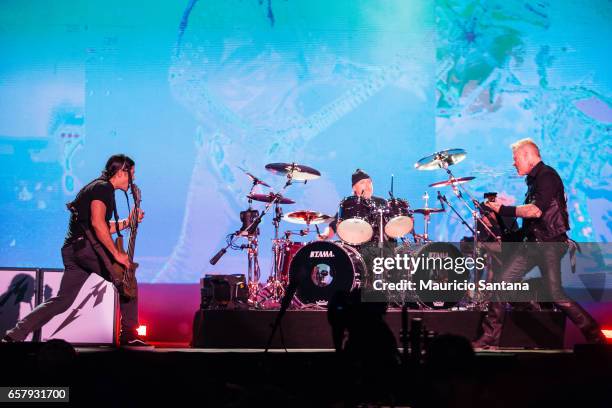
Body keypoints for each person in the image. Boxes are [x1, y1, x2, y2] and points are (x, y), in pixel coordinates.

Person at [1, 154, 149, 347]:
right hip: (87, 248)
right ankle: (129, 334)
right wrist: (116, 254)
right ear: (121, 172)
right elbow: (97, 224)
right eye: (132, 173)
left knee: (63, 301)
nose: (133, 178)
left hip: (75, 249)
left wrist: (128, 222)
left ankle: (14, 334)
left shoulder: (98, 187)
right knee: (127, 279)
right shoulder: (102, 187)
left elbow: (102, 226)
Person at [473, 138, 605, 348]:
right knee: (500, 285)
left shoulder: (547, 176)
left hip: (549, 244)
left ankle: (594, 334)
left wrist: (502, 209)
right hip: (533, 244)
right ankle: (490, 338)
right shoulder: (534, 180)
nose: (514, 163)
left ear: (527, 155)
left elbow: (535, 211)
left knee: (555, 293)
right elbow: (532, 220)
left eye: (515, 158)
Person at [318, 169, 387, 241]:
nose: (367, 185)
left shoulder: (381, 202)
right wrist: (325, 235)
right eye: (362, 182)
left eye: (369, 182)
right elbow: (334, 225)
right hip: (355, 244)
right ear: (354, 188)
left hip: (380, 244)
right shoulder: (347, 203)